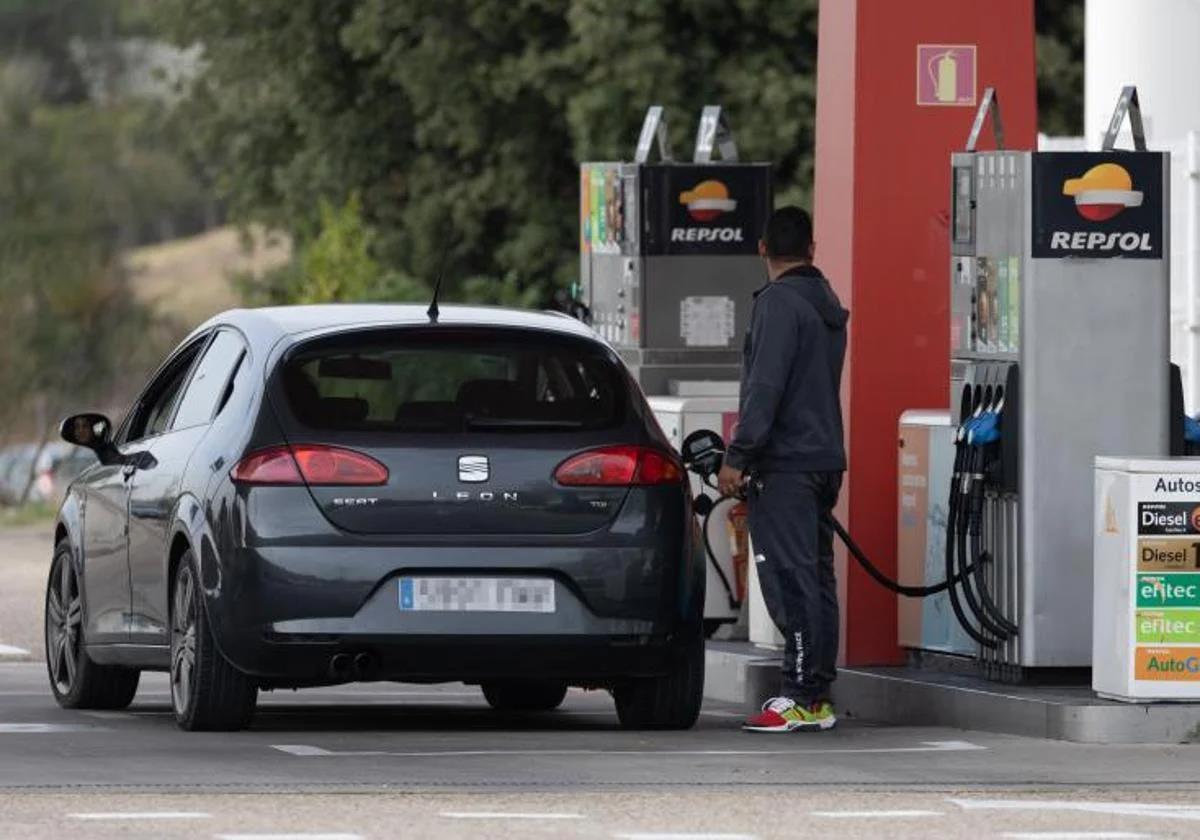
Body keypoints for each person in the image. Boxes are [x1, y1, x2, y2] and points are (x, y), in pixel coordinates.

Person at [716, 206, 849, 733]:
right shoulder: (825, 302)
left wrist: (738, 455)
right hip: (822, 458)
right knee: (816, 577)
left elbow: (765, 387)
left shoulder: (777, 304)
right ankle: (816, 694)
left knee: (789, 578)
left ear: (762, 249)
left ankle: (798, 694)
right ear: (811, 249)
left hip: (785, 463)